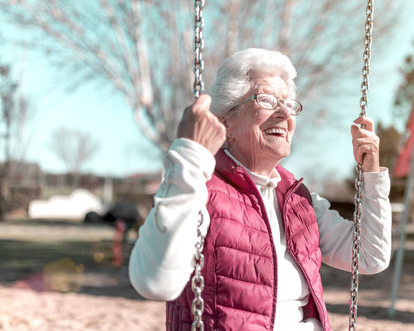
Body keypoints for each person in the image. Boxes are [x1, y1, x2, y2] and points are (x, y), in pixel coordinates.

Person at [129, 48, 392, 331]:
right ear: (226, 121)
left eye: (290, 105)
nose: (283, 113)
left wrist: (372, 174)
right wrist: (189, 155)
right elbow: (154, 282)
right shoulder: (199, 186)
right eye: (266, 100)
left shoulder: (298, 199)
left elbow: (370, 256)